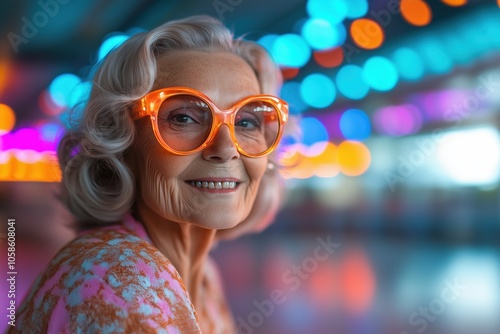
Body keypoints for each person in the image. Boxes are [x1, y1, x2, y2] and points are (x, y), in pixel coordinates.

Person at [10, 15, 290, 333]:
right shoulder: (116, 276)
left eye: (246, 122)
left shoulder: (204, 278)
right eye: (184, 118)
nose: (226, 149)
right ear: (121, 143)